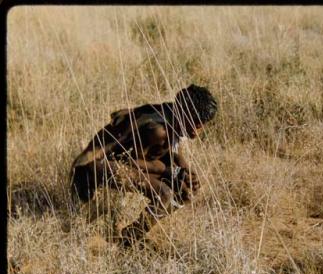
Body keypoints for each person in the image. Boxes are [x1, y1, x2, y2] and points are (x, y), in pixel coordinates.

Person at [70, 84, 217, 244]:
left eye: (201, 125)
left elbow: (166, 152)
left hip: (109, 164)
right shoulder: (158, 130)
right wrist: (168, 172)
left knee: (185, 190)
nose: (198, 131)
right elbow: (129, 161)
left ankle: (130, 235)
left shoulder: (171, 114)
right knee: (164, 194)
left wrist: (185, 169)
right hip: (90, 168)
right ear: (183, 112)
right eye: (196, 124)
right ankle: (128, 240)